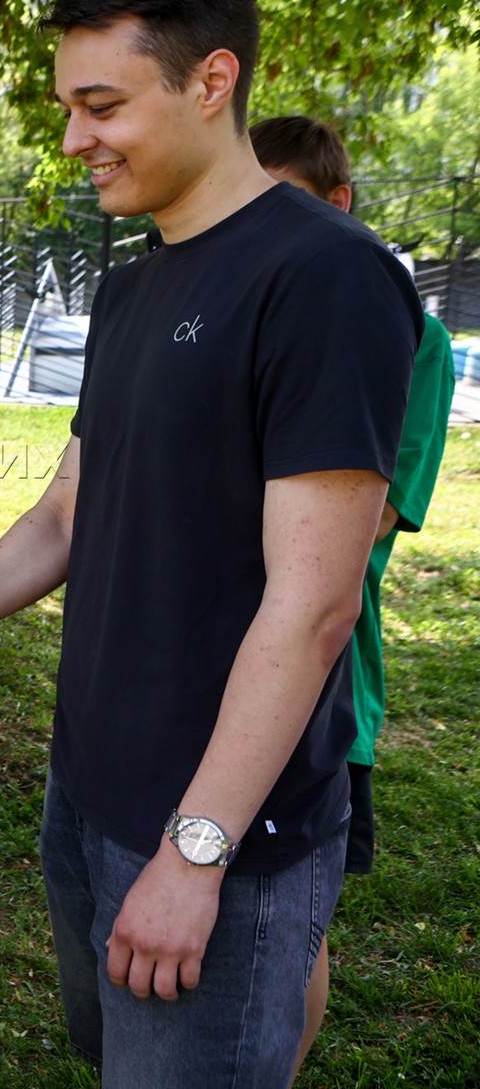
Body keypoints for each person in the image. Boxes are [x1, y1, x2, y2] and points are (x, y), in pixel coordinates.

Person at [0, 0, 421, 1086]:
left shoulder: (324, 276)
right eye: (69, 107)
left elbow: (315, 606)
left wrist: (197, 851)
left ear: (212, 82)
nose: (75, 138)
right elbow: (66, 514)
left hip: (218, 829)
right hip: (89, 794)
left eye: (101, 105)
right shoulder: (134, 283)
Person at [249, 114, 456, 1076]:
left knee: (293, 922)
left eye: (283, 205)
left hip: (325, 681)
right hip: (213, 666)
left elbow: (363, 520)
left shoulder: (412, 335)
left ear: (338, 206)